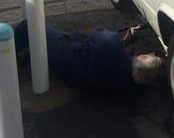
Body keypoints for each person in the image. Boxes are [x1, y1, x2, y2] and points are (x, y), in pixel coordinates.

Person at [14, 20, 164, 93]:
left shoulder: (112, 45)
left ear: (143, 58)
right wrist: (124, 43)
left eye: (146, 55)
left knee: (29, 26)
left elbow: (98, 34)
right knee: (59, 37)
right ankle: (32, 53)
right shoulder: (129, 85)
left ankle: (7, 53)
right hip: (75, 77)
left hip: (67, 55)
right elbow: (117, 63)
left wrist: (121, 40)